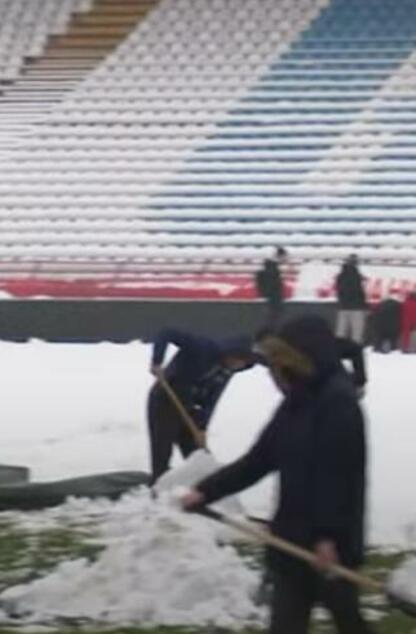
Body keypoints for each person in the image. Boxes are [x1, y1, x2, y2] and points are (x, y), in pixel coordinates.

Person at [181, 315, 371, 634]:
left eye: (279, 361)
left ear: (303, 358)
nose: (274, 373)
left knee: (348, 621)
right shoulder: (295, 403)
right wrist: (206, 491)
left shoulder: (339, 403)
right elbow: (260, 459)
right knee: (286, 624)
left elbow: (341, 477)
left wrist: (328, 537)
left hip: (330, 547)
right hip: (291, 541)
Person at [147, 327, 257, 486]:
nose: (239, 366)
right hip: (166, 399)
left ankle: (205, 491)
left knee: (198, 455)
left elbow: (212, 400)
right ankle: (158, 488)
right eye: (240, 360)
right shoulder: (201, 347)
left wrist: (202, 428)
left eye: (244, 363)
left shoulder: (227, 371)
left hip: (192, 407)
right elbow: (165, 333)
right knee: (162, 452)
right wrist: (157, 361)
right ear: (231, 353)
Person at [334, 255, 368, 344]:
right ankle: (355, 351)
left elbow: (338, 291)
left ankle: (338, 350)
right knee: (357, 334)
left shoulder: (340, 276)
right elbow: (359, 292)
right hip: (357, 307)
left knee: (341, 332)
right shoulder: (356, 275)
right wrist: (365, 306)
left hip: (343, 307)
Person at [255, 248, 286, 329]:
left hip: (272, 298)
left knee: (271, 318)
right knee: (272, 319)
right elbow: (273, 284)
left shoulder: (270, 267)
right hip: (274, 299)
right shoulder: (272, 268)